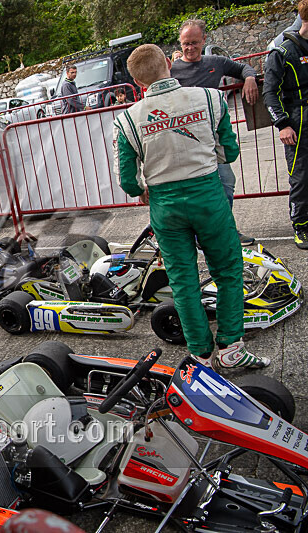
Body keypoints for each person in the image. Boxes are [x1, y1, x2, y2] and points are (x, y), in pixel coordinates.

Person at [113, 44, 268, 370]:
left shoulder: (127, 119)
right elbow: (230, 151)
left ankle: (201, 354)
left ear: (138, 82)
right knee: (227, 270)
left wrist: (142, 191)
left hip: (164, 206)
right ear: (169, 64)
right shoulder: (210, 98)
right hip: (207, 196)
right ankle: (231, 346)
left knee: (183, 282)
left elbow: (127, 180)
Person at [170, 18, 259, 245]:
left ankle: (225, 228)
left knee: (226, 182)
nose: (189, 48)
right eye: (185, 44)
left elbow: (244, 67)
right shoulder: (173, 69)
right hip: (187, 141)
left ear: (204, 40)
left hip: (214, 137)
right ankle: (207, 234)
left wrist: (249, 79)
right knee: (200, 189)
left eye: (194, 43)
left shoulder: (216, 62)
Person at [264, 0, 308, 250]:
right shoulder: (282, 52)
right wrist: (282, 124)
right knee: (301, 177)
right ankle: (301, 225)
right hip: (298, 122)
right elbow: (270, 93)